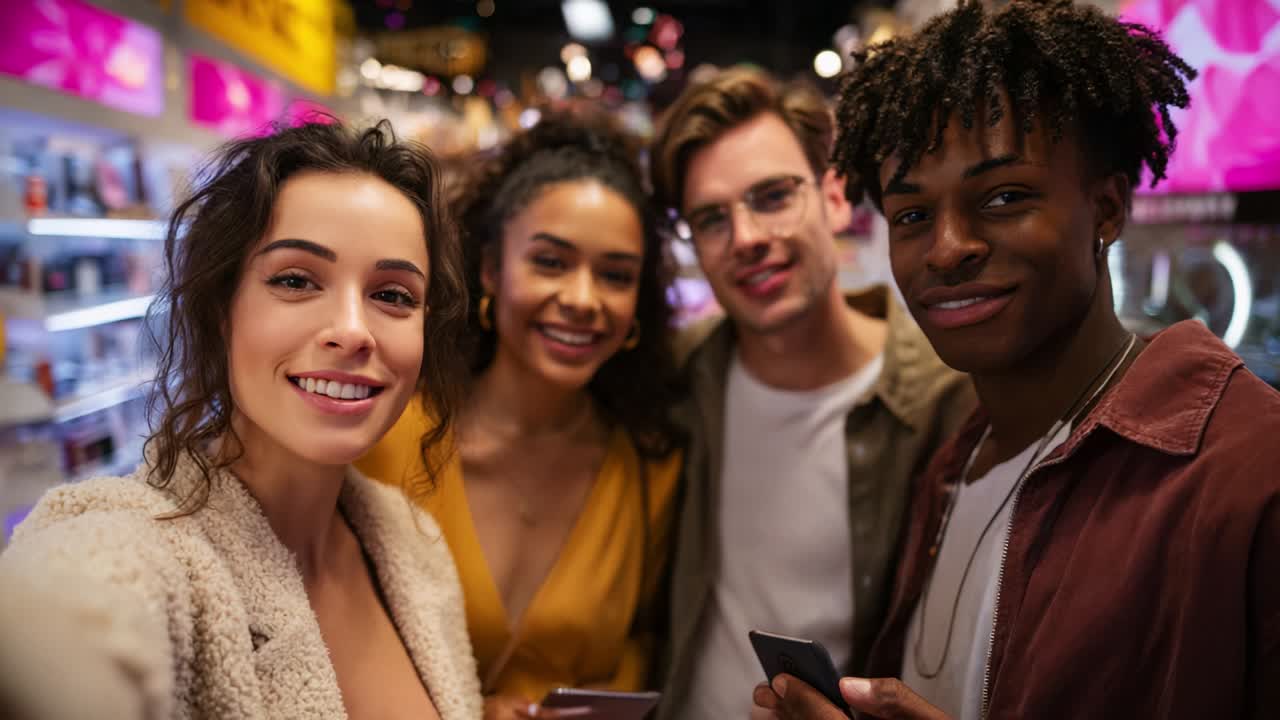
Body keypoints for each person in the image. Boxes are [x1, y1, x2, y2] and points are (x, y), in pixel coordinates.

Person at [753, 1, 1280, 719]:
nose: (947, 249)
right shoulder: (949, 467)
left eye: (1004, 197)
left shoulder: (1246, 471)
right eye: (913, 215)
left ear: (1106, 209)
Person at [0, 121, 483, 719]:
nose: (353, 330)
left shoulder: (415, 545)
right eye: (296, 281)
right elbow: (69, 612)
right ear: (221, 309)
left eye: (392, 295)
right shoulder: (147, 545)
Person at [647, 67, 976, 719]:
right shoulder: (683, 375)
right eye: (711, 219)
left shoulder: (943, 400)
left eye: (772, 196)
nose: (746, 238)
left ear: (833, 197)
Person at [357, 110, 684, 720]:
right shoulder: (385, 435)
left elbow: (641, 648)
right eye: (551, 262)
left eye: (615, 275)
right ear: (490, 268)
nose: (582, 299)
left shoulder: (650, 468)